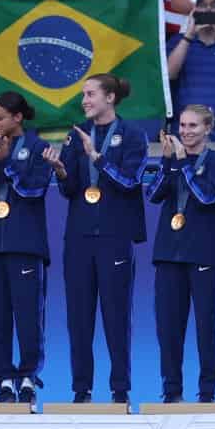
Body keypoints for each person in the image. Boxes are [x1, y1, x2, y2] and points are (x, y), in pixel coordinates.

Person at [41, 73, 146, 405]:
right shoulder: (75, 137)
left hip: (115, 235)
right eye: (83, 95)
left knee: (116, 317)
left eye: (90, 94)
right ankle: (81, 390)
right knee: (78, 318)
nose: (84, 100)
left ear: (110, 98)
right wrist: (60, 171)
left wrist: (98, 157)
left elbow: (130, 181)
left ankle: (119, 391)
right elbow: (71, 189)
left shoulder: (132, 135)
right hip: (79, 238)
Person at [142, 103, 215, 405]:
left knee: (207, 329)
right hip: (169, 253)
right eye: (182, 126)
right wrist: (170, 163)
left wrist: (183, 164)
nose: (185, 132)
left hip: (204, 254)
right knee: (169, 329)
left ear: (207, 129)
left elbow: (207, 197)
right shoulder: (171, 160)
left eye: (193, 126)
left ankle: (207, 394)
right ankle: (172, 392)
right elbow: (153, 195)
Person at [0, 88, 52, 404]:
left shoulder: (38, 147)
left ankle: (29, 376)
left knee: (28, 315)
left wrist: (8, 164)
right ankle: (3, 378)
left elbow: (33, 190)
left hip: (25, 243)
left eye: (0, 117)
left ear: (17, 118)